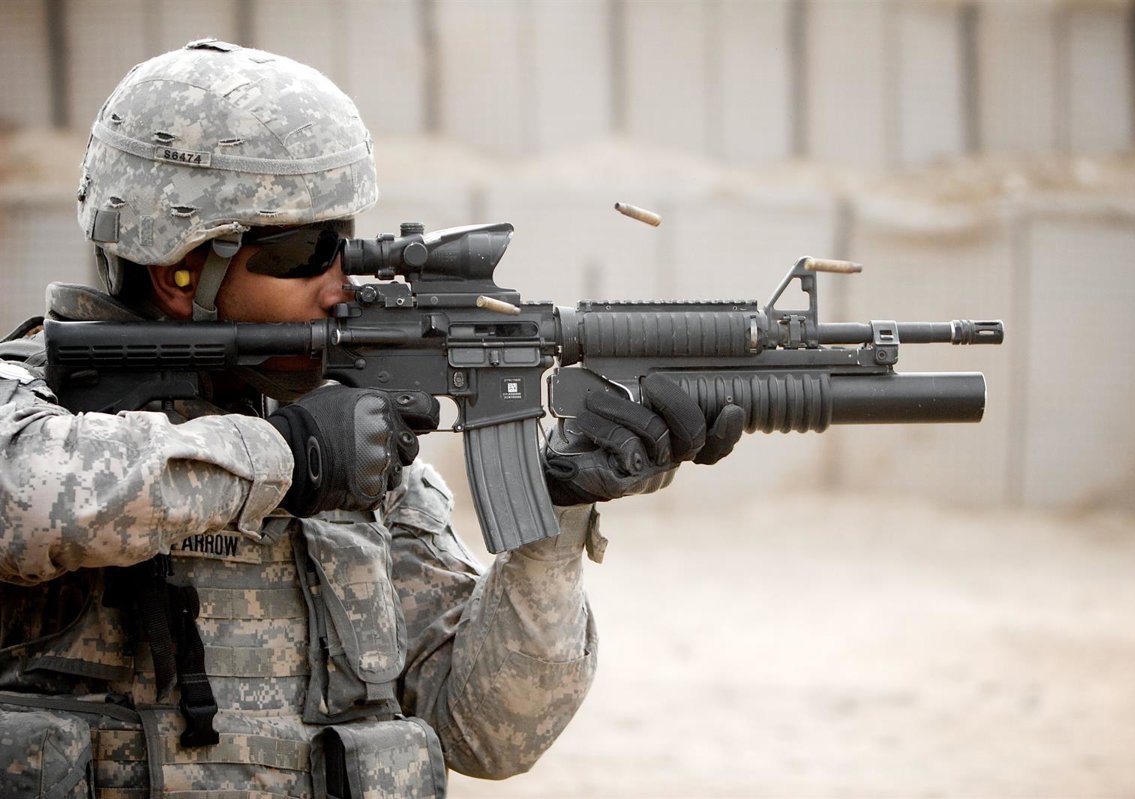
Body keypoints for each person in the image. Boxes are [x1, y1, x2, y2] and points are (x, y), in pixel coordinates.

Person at [0, 40, 742, 797]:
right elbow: (23, 499)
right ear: (179, 271)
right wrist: (291, 454)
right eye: (305, 252)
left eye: (346, 244)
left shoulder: (358, 448)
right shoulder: (32, 404)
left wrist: (555, 522)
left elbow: (488, 730)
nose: (341, 283)